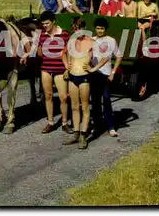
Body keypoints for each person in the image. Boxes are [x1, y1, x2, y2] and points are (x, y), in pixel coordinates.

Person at [37, 11, 73, 134]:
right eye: (43, 24)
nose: (45, 26)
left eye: (47, 23)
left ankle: (64, 123)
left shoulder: (64, 34)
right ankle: (50, 122)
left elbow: (69, 52)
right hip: (46, 68)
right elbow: (39, 54)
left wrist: (68, 68)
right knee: (48, 96)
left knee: (63, 97)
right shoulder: (41, 34)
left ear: (53, 21)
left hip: (60, 69)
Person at [64, 17, 94, 149]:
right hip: (72, 76)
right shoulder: (71, 41)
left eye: (79, 29)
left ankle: (83, 134)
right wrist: (67, 67)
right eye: (75, 29)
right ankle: (76, 132)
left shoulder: (91, 42)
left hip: (84, 76)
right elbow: (64, 54)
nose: (77, 31)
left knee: (85, 106)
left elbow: (105, 56)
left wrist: (93, 68)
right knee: (74, 106)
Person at [90, 17, 123, 137]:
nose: (100, 31)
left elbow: (119, 56)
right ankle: (97, 126)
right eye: (98, 28)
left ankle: (111, 126)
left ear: (105, 29)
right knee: (95, 101)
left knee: (107, 99)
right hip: (94, 74)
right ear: (95, 28)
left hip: (106, 74)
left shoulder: (111, 40)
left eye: (102, 28)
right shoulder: (91, 40)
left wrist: (113, 72)